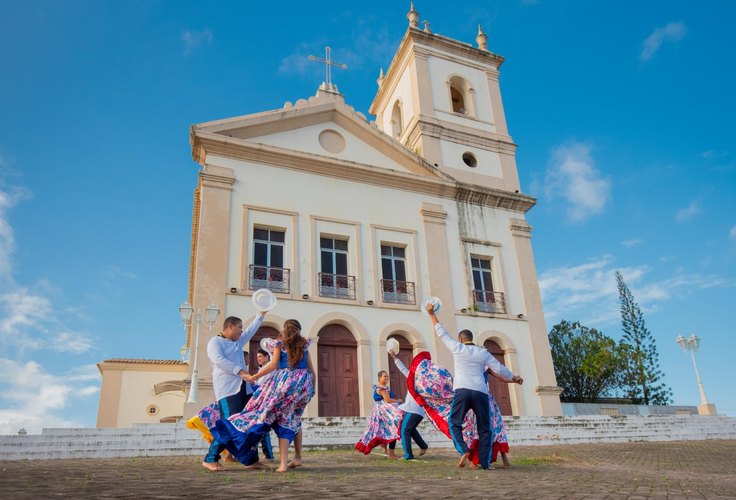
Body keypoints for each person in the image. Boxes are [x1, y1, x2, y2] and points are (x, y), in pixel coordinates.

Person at [425, 302, 523, 470]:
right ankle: (485, 463)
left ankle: (463, 449)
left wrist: (431, 313)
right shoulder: (482, 352)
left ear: (461, 339)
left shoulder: (457, 347)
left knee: (454, 422)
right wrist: (514, 377)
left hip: (462, 391)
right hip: (480, 392)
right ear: (471, 339)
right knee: (485, 428)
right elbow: (499, 367)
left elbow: (441, 332)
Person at [213, 319, 315, 473]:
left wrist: (254, 376)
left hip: (286, 384)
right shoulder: (305, 344)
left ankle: (283, 464)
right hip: (304, 385)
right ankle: (298, 457)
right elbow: (312, 371)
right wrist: (313, 389)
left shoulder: (280, 344)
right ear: (299, 330)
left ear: (284, 330)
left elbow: (273, 365)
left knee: (282, 420)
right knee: (294, 419)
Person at [201, 312, 266, 472]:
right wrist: (241, 372)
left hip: (245, 388)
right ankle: (210, 459)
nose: (241, 331)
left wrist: (261, 314)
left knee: (251, 422)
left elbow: (251, 331)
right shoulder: (215, 342)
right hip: (228, 389)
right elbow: (219, 360)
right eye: (239, 328)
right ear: (229, 327)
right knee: (229, 425)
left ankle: (250, 460)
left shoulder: (237, 342)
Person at [388, 350, 429, 460]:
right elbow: (404, 370)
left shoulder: (421, 381)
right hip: (416, 410)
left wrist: (395, 358)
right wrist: (395, 358)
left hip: (413, 410)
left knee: (405, 430)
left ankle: (408, 455)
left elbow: (405, 370)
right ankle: (423, 446)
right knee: (410, 429)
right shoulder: (419, 379)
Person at [355, 370, 403, 459]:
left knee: (384, 428)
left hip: (381, 410)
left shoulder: (383, 387)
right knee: (393, 427)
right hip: (383, 410)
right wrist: (398, 401)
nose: (386, 378)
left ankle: (384, 445)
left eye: (387, 376)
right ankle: (391, 453)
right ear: (379, 378)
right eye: (384, 376)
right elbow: (388, 400)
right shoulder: (381, 389)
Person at [253, 348, 274, 461]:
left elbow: (263, 385)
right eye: (257, 357)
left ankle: (268, 454)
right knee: (262, 427)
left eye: (260, 356)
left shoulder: (269, 369)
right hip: (261, 400)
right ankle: (268, 454)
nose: (259, 359)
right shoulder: (261, 370)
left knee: (262, 427)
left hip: (267, 400)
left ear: (267, 357)